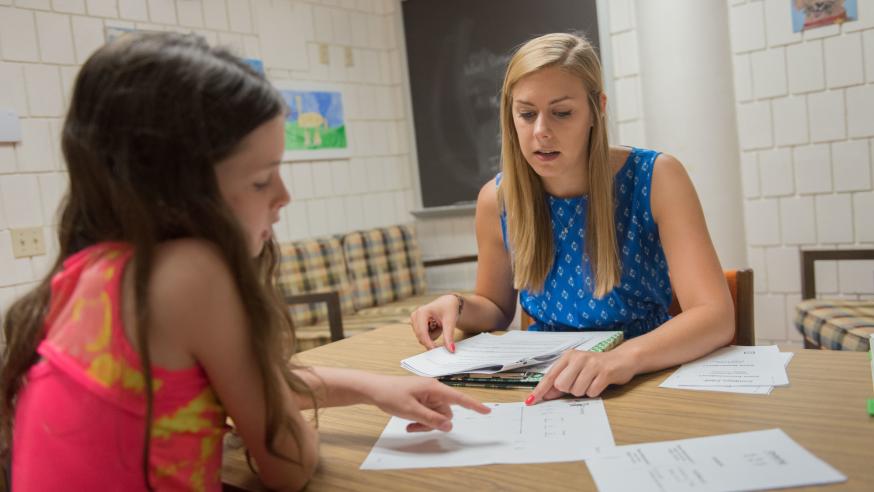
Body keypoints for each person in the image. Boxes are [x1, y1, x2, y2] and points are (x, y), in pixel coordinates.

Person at [0, 32, 489, 491]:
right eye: (261, 181)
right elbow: (289, 466)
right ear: (178, 187)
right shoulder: (190, 274)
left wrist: (373, 386)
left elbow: (259, 383)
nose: (284, 196)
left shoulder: (89, 269)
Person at [410, 32, 735, 405]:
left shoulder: (658, 177)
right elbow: (497, 309)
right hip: (548, 385)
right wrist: (457, 304)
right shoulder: (497, 199)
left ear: (597, 108)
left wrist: (619, 360)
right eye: (526, 114)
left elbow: (715, 316)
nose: (540, 132)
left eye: (562, 113)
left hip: (644, 376)